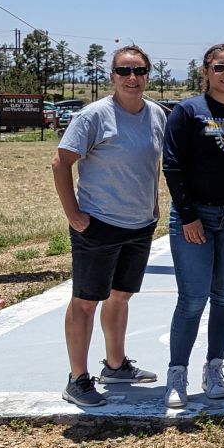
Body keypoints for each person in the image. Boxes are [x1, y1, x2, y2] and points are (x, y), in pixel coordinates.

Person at [52, 45, 166, 408]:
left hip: (139, 225)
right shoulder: (94, 116)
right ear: (112, 76)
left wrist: (153, 204)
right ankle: (77, 378)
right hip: (98, 224)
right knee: (86, 301)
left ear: (149, 74)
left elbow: (150, 164)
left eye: (139, 71)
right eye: (124, 71)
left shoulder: (157, 115)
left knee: (121, 296)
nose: (132, 78)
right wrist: (73, 214)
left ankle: (115, 366)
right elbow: (60, 162)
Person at [161, 43, 224, 409]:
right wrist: (188, 216)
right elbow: (172, 165)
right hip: (195, 217)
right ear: (206, 72)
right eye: (219, 67)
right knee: (193, 298)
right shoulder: (187, 110)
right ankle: (176, 375)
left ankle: (214, 369)